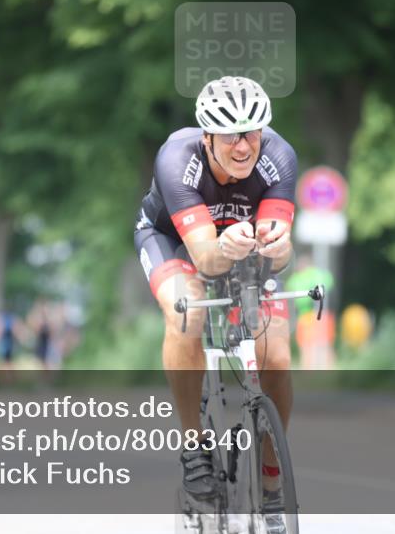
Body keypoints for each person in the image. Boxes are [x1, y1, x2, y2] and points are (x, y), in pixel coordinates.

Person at [133, 76, 297, 523]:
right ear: (207, 138)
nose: (243, 146)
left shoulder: (279, 157)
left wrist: (278, 246)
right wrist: (226, 246)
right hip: (175, 242)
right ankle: (194, 447)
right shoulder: (176, 159)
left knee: (277, 354)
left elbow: (280, 254)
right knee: (185, 314)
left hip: (243, 248)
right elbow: (205, 256)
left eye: (251, 133)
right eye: (229, 136)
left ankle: (271, 477)